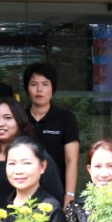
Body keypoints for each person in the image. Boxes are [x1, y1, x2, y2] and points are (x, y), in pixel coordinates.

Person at [0, 97, 65, 210]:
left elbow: (55, 196)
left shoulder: (37, 155)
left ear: (19, 121)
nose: (0, 123)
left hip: (29, 220)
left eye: (8, 118)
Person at [24, 63, 80, 203]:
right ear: (27, 88)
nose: (39, 89)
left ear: (52, 88)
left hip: (56, 191)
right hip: (24, 190)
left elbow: (71, 160)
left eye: (45, 84)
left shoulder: (66, 118)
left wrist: (69, 195)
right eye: (34, 84)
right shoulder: (19, 118)